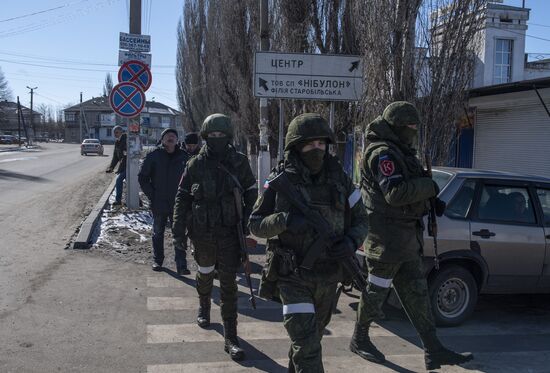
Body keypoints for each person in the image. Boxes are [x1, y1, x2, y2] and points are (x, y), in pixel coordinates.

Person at [352, 101, 474, 371]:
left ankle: (433, 350)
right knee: (375, 293)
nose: (414, 131)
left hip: (405, 240)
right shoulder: (382, 153)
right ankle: (359, 339)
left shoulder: (401, 151)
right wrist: (429, 186)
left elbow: (411, 189)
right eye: (411, 127)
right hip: (386, 242)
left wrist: (431, 198)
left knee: (418, 295)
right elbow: (395, 193)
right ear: (397, 127)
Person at [249, 113, 368, 373]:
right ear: (296, 147)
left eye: (321, 145)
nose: (316, 150)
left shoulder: (341, 180)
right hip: (292, 276)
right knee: (308, 348)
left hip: (328, 277)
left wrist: (351, 241)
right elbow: (255, 224)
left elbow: (362, 220)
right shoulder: (281, 180)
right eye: (309, 145)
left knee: (309, 341)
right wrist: (285, 220)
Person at [172, 113, 257, 361]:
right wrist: (178, 229)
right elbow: (182, 197)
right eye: (212, 135)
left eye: (221, 135)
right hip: (202, 233)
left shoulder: (239, 162)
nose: (217, 139)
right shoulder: (195, 164)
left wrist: (249, 221)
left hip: (231, 233)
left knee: (229, 283)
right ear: (206, 137)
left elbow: (252, 193)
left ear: (228, 136)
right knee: (206, 272)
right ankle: (204, 305)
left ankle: (231, 335)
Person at [138, 128, 190, 274]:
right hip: (159, 202)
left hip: (178, 203)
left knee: (179, 233)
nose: (171, 138)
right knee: (158, 232)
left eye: (173, 136)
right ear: (162, 139)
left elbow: (190, 179)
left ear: (177, 140)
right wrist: (152, 195)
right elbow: (143, 177)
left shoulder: (184, 157)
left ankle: (181, 265)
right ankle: (157, 260)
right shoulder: (154, 156)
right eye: (167, 136)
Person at [106, 125, 127, 206]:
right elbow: (115, 156)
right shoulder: (117, 141)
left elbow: (125, 156)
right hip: (124, 166)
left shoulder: (126, 139)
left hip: (129, 166)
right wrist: (111, 167)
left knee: (119, 180)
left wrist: (119, 169)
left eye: (117, 132)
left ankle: (118, 201)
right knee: (130, 184)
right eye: (114, 132)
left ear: (121, 132)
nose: (115, 134)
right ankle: (137, 201)